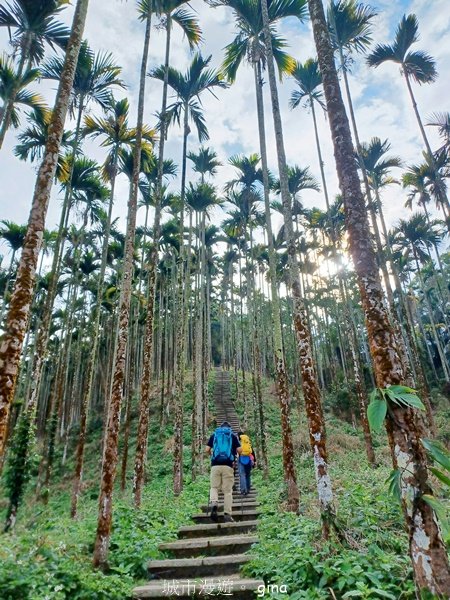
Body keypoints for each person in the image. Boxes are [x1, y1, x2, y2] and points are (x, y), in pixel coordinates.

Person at [205, 421, 241, 523]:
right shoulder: (232, 436)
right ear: (229, 428)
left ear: (220, 428)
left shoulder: (215, 435)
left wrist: (211, 456)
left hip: (215, 465)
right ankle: (227, 514)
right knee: (228, 491)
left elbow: (207, 449)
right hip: (228, 466)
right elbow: (240, 450)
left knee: (214, 487)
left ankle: (214, 503)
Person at [237, 430, 256, 496]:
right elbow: (252, 452)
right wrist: (255, 461)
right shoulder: (247, 441)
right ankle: (248, 489)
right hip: (249, 459)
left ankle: (243, 490)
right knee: (248, 475)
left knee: (242, 475)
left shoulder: (239, 442)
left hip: (241, 459)